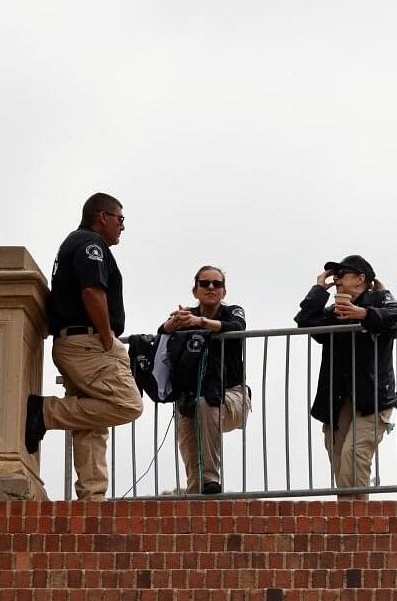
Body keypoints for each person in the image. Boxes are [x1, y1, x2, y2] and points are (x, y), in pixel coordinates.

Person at [25, 193, 143, 500]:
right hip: (89, 343)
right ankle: (45, 411)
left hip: (74, 343)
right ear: (102, 216)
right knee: (128, 403)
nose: (122, 227)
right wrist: (106, 337)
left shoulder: (74, 243)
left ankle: (92, 497)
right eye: (120, 219)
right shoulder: (91, 244)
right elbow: (92, 290)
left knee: (92, 421)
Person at [295, 255, 397, 493]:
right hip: (338, 398)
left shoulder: (379, 298)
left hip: (373, 399)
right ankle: (351, 520)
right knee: (340, 460)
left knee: (354, 454)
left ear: (360, 279)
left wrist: (364, 314)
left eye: (342, 273)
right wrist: (318, 289)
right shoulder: (335, 310)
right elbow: (304, 322)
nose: (336, 279)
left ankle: (355, 522)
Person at [158, 266, 251, 495]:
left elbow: (237, 327)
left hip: (232, 395)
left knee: (205, 403)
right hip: (190, 398)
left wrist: (200, 322)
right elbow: (162, 335)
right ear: (195, 290)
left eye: (216, 284)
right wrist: (172, 325)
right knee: (194, 480)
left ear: (224, 291)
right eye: (205, 283)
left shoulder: (233, 311)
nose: (211, 288)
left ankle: (211, 478)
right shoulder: (185, 315)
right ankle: (198, 499)